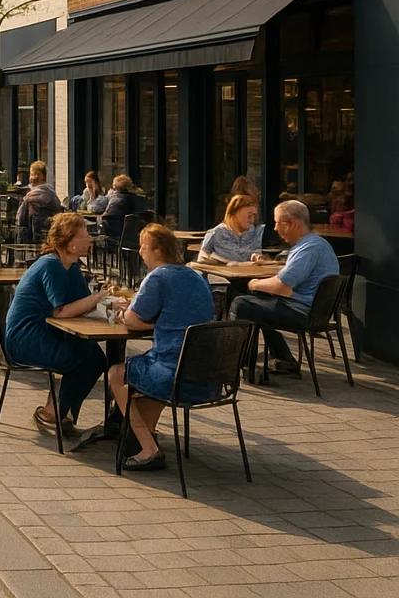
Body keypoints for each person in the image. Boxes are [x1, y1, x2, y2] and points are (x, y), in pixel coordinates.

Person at [106, 224, 215, 471]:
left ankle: (147, 448)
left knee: (117, 374)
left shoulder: (158, 277)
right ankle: (142, 432)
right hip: (209, 374)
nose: (141, 252)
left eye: (144, 247)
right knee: (147, 366)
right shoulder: (195, 276)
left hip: (175, 374)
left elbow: (133, 320)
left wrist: (125, 313)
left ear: (157, 250)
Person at [3, 213, 108, 440]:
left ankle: (59, 412)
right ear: (70, 243)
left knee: (96, 358)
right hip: (25, 338)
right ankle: (56, 412)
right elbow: (60, 311)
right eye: (85, 235)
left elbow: (83, 305)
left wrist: (112, 307)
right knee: (82, 357)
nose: (90, 240)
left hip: (46, 332)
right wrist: (97, 298)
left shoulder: (71, 266)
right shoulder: (51, 265)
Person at [230, 199, 340, 376]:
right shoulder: (316, 244)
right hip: (315, 312)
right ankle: (283, 358)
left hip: (303, 313)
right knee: (259, 304)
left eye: (277, 223)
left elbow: (282, 286)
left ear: (292, 224)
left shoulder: (308, 249)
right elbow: (292, 276)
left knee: (241, 304)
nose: (274, 228)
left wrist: (253, 284)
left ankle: (237, 365)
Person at [199, 194, 261, 264]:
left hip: (249, 273)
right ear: (235, 212)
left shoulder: (252, 231)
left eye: (254, 216)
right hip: (222, 273)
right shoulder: (217, 233)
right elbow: (202, 258)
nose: (252, 220)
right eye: (249, 216)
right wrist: (225, 263)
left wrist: (257, 257)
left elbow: (255, 253)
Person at [17, 161, 63, 243]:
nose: (30, 177)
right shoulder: (45, 190)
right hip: (44, 226)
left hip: (44, 228)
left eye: (31, 174)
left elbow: (28, 200)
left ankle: (22, 237)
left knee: (25, 204)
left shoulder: (43, 191)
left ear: (37, 175)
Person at [99, 174, 149, 240]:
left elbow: (107, 220)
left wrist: (99, 219)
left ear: (115, 188)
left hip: (118, 237)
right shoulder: (139, 199)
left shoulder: (116, 201)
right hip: (135, 237)